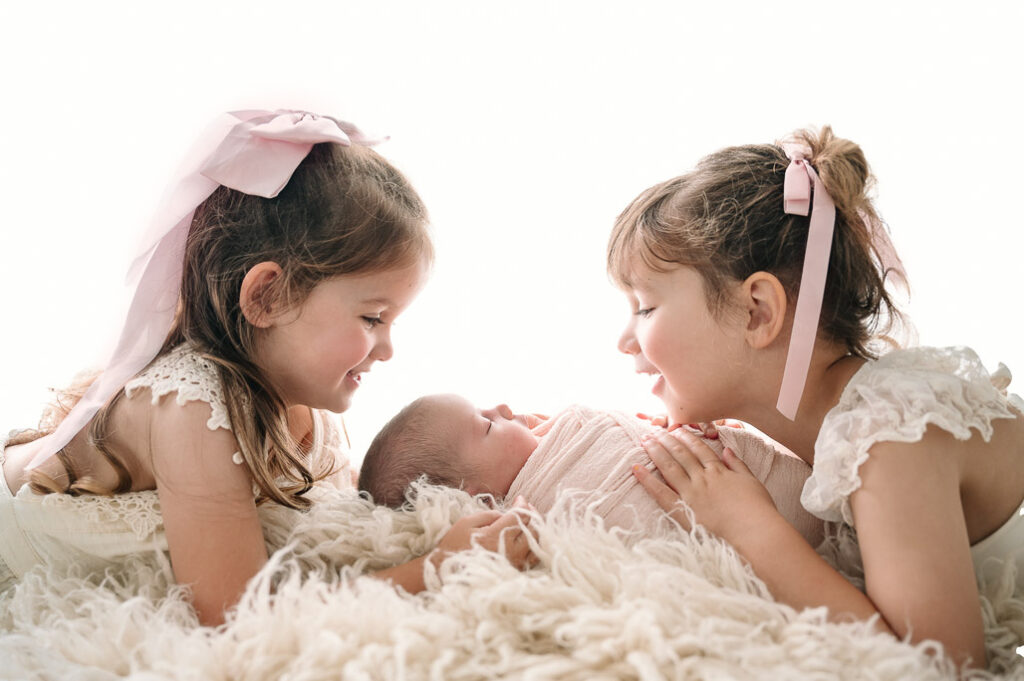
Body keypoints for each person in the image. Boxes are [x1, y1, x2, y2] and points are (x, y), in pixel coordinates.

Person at [0, 110, 533, 626]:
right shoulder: (191, 410)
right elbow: (237, 615)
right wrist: (439, 567)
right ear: (267, 296)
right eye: (372, 317)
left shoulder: (302, 399)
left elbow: (345, 515)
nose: (387, 348)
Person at [609, 125, 1024, 669]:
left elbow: (940, 666)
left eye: (644, 307)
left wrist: (749, 527)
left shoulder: (888, 436)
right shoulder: (830, 429)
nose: (622, 341)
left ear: (757, 311)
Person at [358, 394, 824, 546]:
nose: (502, 407)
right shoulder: (543, 513)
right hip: (772, 519)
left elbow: (620, 430)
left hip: (779, 471)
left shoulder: (563, 435)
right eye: (486, 425)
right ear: (481, 499)